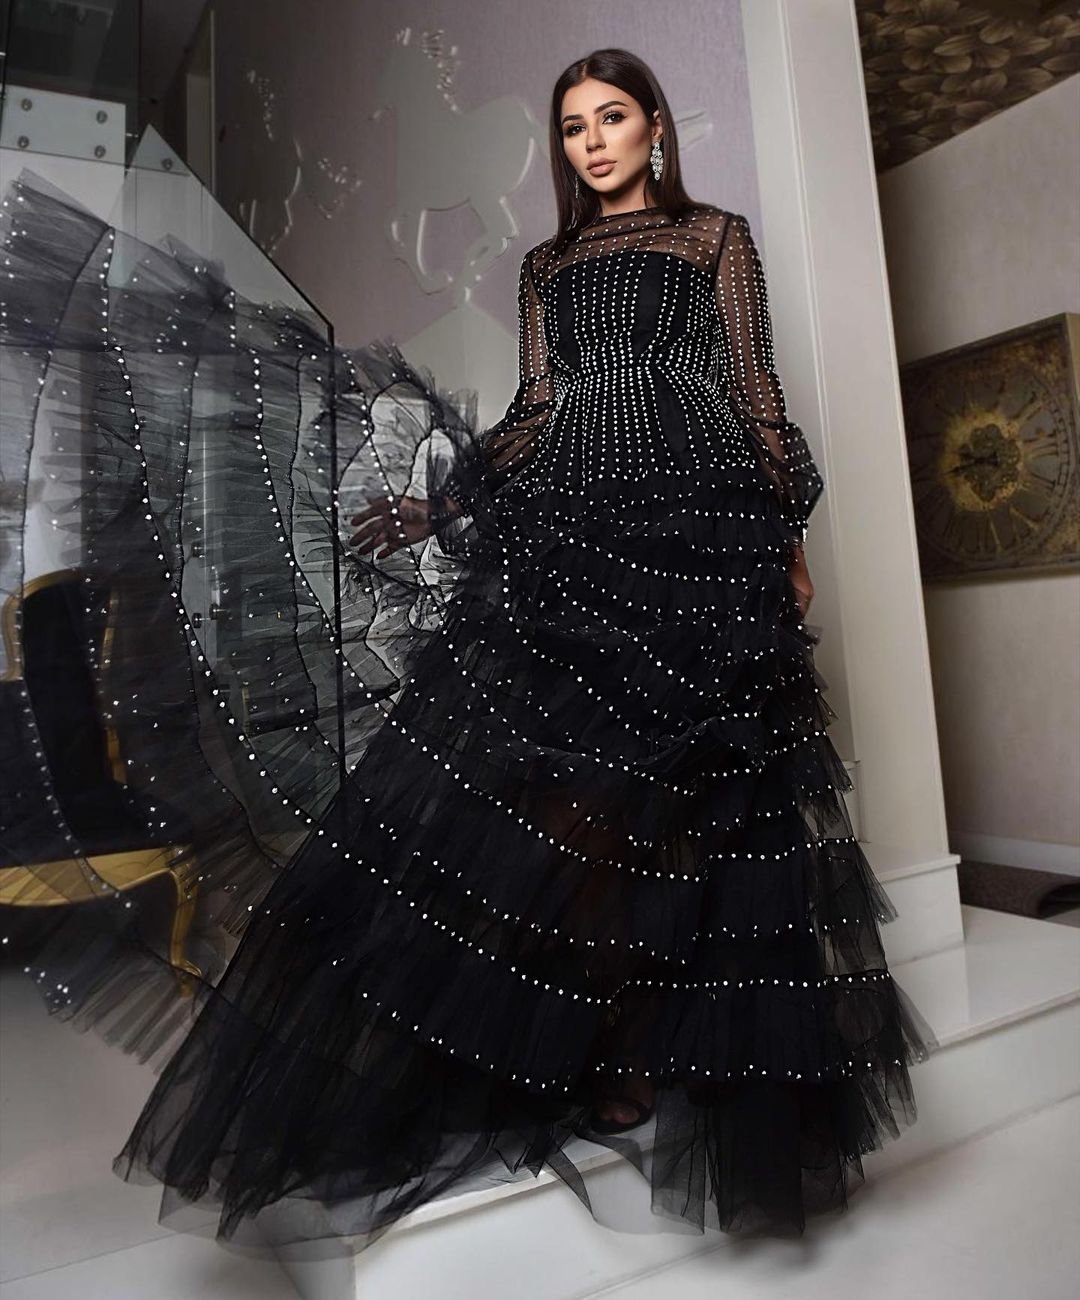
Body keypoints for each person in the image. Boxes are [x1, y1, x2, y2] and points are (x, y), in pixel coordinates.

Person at [1, 47, 938, 1254]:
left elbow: (752, 386)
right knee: (577, 800)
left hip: (707, 516)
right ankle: (602, 1040)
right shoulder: (548, 265)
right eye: (574, 127)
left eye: (612, 118)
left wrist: (785, 529)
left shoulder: (715, 238)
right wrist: (440, 504)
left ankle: (692, 1043)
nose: (592, 142)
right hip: (583, 523)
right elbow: (540, 409)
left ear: (654, 126)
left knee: (716, 800)